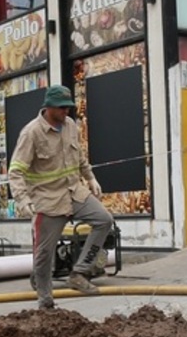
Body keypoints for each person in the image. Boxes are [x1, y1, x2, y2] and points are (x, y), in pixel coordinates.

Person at [8, 84, 113, 310]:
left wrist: (90, 177)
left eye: (68, 107)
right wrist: (22, 200)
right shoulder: (31, 133)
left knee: (104, 220)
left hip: (74, 191)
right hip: (47, 200)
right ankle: (45, 300)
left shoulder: (70, 125)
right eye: (62, 107)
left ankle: (79, 273)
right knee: (44, 254)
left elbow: (80, 156)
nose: (67, 111)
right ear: (48, 107)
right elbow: (15, 171)